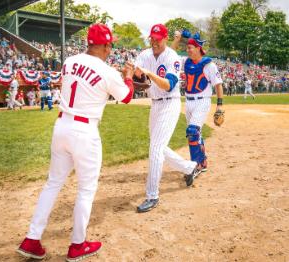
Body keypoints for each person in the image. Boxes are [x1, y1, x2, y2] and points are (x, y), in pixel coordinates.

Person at [17, 23, 135, 261]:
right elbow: (127, 97)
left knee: (53, 184)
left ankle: (31, 239)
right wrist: (129, 77)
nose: (110, 49)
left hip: (62, 124)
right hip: (85, 130)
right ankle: (77, 245)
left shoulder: (70, 61)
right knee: (86, 189)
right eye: (109, 45)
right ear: (102, 45)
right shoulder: (107, 71)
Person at [134, 24, 201, 213]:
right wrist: (133, 73)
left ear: (165, 38)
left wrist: (148, 74)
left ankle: (152, 195)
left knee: (155, 148)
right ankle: (189, 168)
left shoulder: (172, 56)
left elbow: (168, 85)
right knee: (159, 147)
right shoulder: (145, 55)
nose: (154, 42)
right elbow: (137, 74)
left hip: (170, 103)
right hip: (155, 104)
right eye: (152, 39)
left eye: (157, 38)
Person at [171, 30, 224, 184]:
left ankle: (194, 166)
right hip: (188, 101)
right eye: (187, 48)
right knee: (194, 135)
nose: (188, 50)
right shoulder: (185, 61)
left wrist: (219, 106)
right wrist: (177, 39)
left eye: (190, 47)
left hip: (202, 101)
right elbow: (171, 54)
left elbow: (218, 85)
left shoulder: (209, 65)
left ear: (199, 48)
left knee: (192, 131)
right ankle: (202, 161)